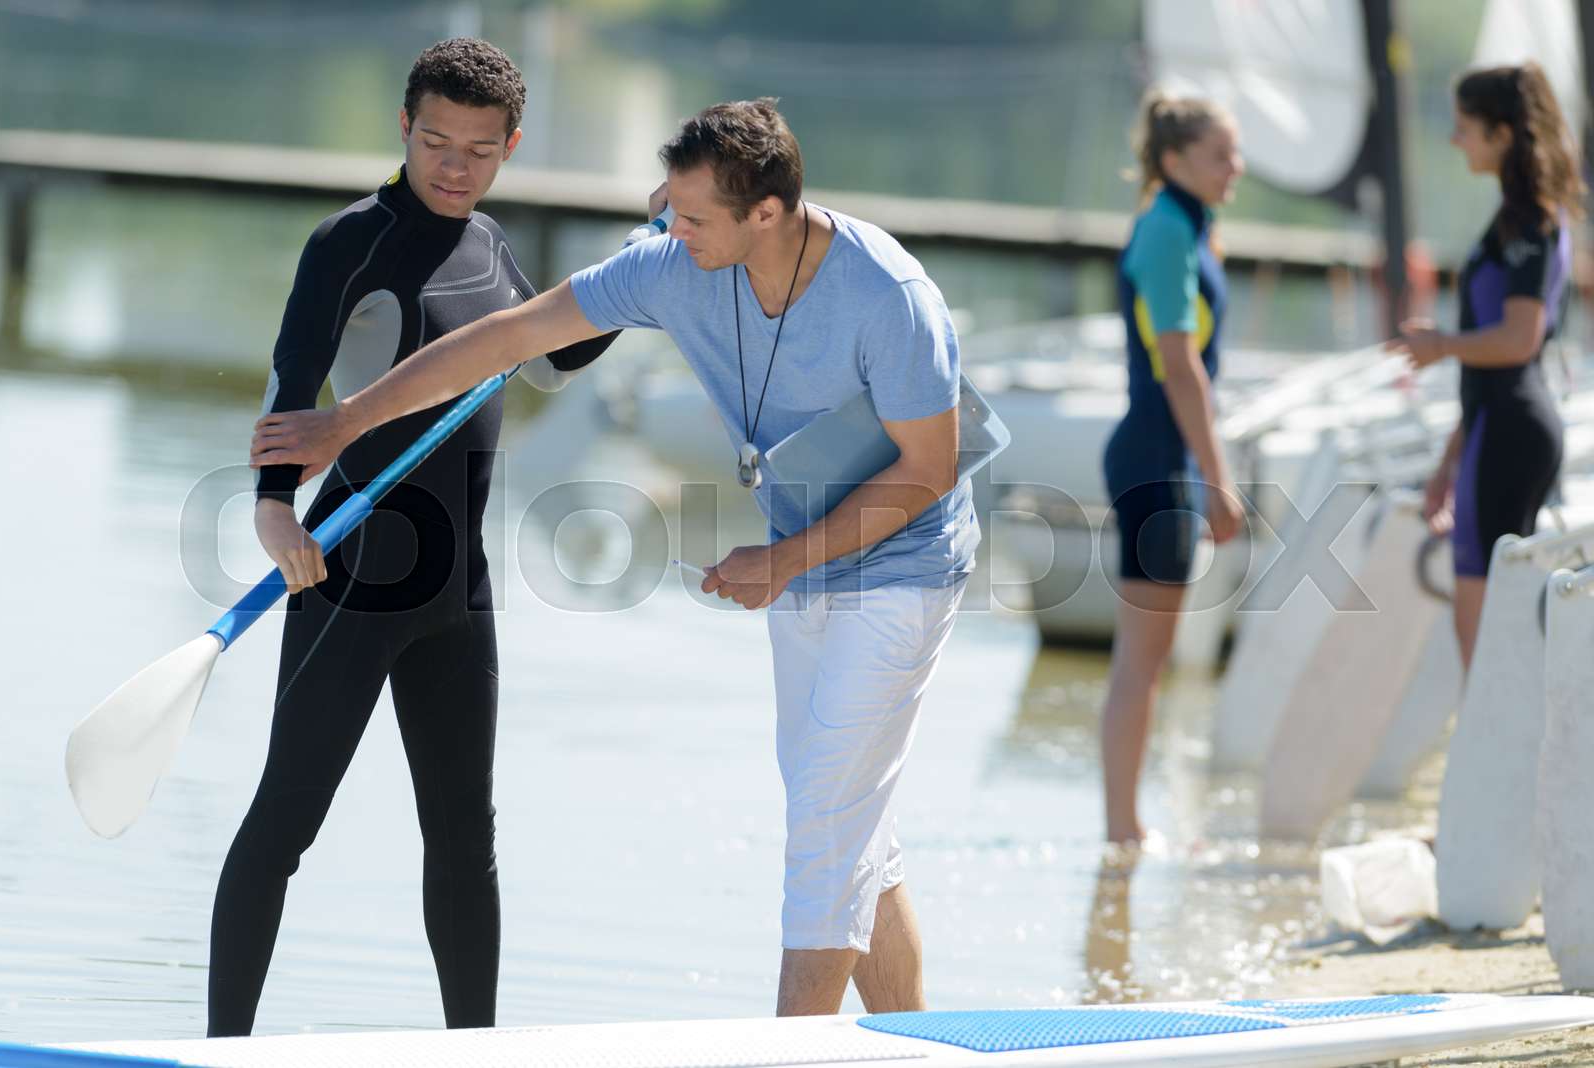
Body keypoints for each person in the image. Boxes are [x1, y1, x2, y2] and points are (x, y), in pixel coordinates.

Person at [250, 97, 975, 1018]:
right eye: (669, 209)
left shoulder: (889, 296)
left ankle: (790, 1050)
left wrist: (785, 558)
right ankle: (912, 1042)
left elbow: (929, 468)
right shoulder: (677, 267)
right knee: (847, 818)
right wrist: (348, 419)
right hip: (800, 559)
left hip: (904, 565)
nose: (672, 231)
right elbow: (511, 335)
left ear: (768, 213)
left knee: (825, 824)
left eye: (695, 217)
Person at [209, 38, 616, 1036]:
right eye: (435, 141)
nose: (453, 166)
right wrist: (271, 509)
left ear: (510, 146)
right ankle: (218, 1052)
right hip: (349, 571)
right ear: (405, 127)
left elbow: (551, 357)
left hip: (456, 591)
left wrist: (638, 278)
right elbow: (293, 375)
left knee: (464, 841)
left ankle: (471, 1051)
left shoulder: (490, 244)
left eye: (479, 150)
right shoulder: (350, 241)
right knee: (283, 827)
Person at [1392, 62, 1577, 670]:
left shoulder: (1531, 222)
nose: (1454, 140)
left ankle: (1505, 756)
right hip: (1495, 427)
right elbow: (1495, 369)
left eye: (1464, 127)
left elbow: (1518, 340)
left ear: (1502, 135)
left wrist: (1440, 345)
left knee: (1486, 640)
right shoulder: (1517, 219)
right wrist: (1452, 456)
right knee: (1487, 630)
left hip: (1512, 433)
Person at [1099, 90, 1245, 845]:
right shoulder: (1166, 230)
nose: (1237, 168)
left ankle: (1126, 828)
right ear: (1175, 159)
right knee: (1142, 661)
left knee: (1147, 660)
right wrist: (1218, 477)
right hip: (1157, 462)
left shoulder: (1188, 226)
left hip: (1164, 458)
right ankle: (1123, 832)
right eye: (1222, 154)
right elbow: (1180, 365)